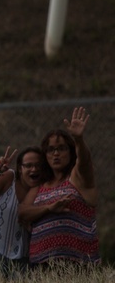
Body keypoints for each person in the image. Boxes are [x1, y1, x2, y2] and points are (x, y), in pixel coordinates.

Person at [20, 108, 98, 265]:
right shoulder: (40, 186)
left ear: (70, 152)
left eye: (61, 148)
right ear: (45, 155)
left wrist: (79, 140)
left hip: (78, 263)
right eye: (50, 150)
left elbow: (85, 162)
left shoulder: (77, 177)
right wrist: (48, 208)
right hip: (42, 266)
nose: (56, 154)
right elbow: (22, 212)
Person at [0, 146, 44, 278]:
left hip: (22, 259)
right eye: (28, 165)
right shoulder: (9, 178)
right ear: (20, 169)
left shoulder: (44, 190)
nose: (34, 169)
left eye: (38, 165)